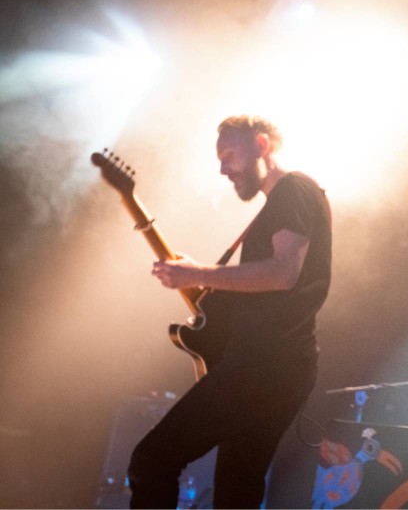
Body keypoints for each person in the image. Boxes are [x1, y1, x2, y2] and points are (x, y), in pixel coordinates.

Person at [128, 115, 332, 509]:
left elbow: (282, 273)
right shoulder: (291, 197)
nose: (222, 169)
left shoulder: (293, 189)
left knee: (152, 460)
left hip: (264, 366)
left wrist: (197, 272)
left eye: (229, 156)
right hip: (282, 367)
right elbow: (271, 287)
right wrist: (202, 277)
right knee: (236, 492)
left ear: (261, 145)